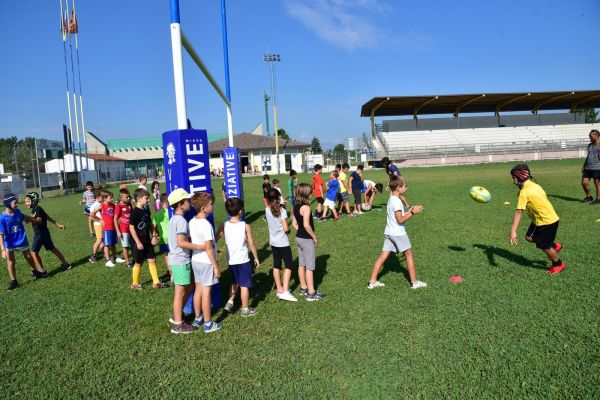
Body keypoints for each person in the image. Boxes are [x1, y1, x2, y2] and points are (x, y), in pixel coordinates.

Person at [368, 175, 427, 289]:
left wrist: (408, 210)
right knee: (409, 254)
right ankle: (414, 283)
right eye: (405, 186)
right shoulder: (397, 201)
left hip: (389, 232)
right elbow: (400, 220)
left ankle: (372, 281)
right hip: (398, 233)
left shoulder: (392, 199)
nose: (406, 188)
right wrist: (412, 212)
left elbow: (397, 216)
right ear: (399, 187)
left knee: (382, 256)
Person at [508, 164, 565, 274]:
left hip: (547, 222)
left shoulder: (524, 192)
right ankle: (555, 246)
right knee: (529, 237)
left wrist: (513, 231)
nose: (512, 180)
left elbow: (519, 212)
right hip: (539, 220)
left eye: (513, 178)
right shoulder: (535, 186)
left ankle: (558, 264)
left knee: (544, 246)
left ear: (519, 178)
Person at [216, 197, 260, 316]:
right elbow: (251, 243)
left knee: (235, 281)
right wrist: (255, 257)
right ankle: (245, 309)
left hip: (231, 260)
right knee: (244, 285)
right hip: (243, 260)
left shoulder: (224, 225)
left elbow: (215, 239)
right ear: (240, 211)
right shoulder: (245, 226)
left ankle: (230, 302)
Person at [189, 192, 222, 333]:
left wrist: (219, 234)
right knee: (207, 292)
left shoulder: (192, 221)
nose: (212, 207)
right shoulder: (206, 224)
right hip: (206, 262)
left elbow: (205, 242)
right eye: (211, 205)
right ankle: (208, 323)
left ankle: (198, 317)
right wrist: (216, 266)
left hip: (196, 260)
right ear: (203, 208)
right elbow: (208, 248)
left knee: (198, 290)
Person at [1, 194, 48, 291]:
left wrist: (34, 219)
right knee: (11, 261)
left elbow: (25, 217)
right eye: (15, 202)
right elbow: (0, 235)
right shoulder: (2, 218)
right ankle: (14, 281)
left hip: (21, 239)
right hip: (9, 243)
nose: (17, 204)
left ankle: (34, 271)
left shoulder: (17, 212)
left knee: (28, 256)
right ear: (8, 204)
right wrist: (2, 250)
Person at [167, 189, 197, 334]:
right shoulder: (181, 221)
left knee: (190, 285)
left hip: (178, 259)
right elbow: (181, 242)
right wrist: (200, 246)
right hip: (180, 260)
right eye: (187, 200)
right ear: (180, 204)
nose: (190, 202)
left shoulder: (174, 219)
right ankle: (178, 324)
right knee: (179, 292)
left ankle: (177, 315)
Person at [129, 188, 169, 289]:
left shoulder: (146, 211)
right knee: (139, 262)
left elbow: (150, 224)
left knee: (152, 260)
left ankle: (156, 282)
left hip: (147, 241)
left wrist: (154, 236)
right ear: (138, 199)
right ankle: (134, 283)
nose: (148, 200)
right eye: (146, 198)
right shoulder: (134, 212)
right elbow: (131, 228)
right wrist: (138, 242)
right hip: (138, 242)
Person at [292, 183, 325, 301]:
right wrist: (314, 237)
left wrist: (300, 230)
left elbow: (294, 224)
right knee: (310, 267)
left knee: (302, 264)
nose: (312, 195)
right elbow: (306, 225)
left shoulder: (296, 206)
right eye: (310, 193)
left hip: (298, 238)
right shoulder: (306, 208)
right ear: (306, 194)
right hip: (306, 240)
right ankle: (311, 293)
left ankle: (303, 287)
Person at [24, 192, 71, 272]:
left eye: (28, 201)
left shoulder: (37, 209)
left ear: (33, 200)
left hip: (40, 234)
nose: (26, 203)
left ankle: (41, 271)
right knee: (52, 248)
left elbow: (39, 221)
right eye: (25, 201)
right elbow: (47, 217)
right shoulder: (37, 209)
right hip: (45, 233)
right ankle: (65, 263)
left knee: (33, 252)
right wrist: (58, 224)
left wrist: (30, 218)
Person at [265, 188, 297, 302]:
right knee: (289, 265)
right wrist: (289, 231)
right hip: (283, 242)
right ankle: (285, 290)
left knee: (276, 265)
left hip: (273, 242)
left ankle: (279, 289)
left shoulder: (267, 210)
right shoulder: (282, 211)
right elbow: (285, 228)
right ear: (279, 197)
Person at [100, 190, 124, 268]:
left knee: (113, 244)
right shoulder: (102, 206)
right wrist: (99, 220)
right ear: (104, 198)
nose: (112, 199)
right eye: (110, 198)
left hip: (113, 227)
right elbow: (92, 214)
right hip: (106, 229)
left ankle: (115, 257)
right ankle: (107, 260)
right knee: (107, 245)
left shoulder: (113, 205)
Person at [153, 194, 171, 278]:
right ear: (165, 202)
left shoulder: (157, 214)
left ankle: (171, 274)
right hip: (171, 238)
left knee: (167, 257)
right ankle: (174, 273)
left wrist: (156, 235)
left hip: (163, 239)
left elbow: (153, 225)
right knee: (174, 256)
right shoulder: (169, 212)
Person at [114, 188, 133, 268]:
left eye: (129, 197)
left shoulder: (129, 204)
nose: (128, 198)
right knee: (125, 246)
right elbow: (115, 219)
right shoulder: (119, 206)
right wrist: (118, 231)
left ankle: (135, 259)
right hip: (123, 229)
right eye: (126, 197)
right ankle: (127, 262)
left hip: (131, 228)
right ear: (121, 197)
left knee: (132, 244)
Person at [581, 129, 600, 204]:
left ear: (596, 135)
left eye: (591, 136)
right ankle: (589, 197)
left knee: (597, 184)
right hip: (588, 168)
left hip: (597, 168)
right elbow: (588, 156)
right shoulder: (589, 145)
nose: (590, 138)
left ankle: (598, 199)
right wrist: (584, 166)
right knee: (584, 183)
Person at [88, 190, 104, 263]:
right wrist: (99, 220)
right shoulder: (94, 205)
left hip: (103, 224)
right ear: (98, 197)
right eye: (102, 197)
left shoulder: (101, 203)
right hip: (98, 225)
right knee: (99, 240)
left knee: (102, 240)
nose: (103, 198)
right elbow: (91, 215)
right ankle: (93, 256)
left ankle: (105, 254)